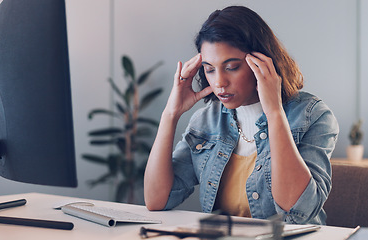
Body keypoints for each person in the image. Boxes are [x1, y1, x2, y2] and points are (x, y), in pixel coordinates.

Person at [144, 5, 339, 225]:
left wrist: (273, 112)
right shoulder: (206, 121)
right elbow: (156, 200)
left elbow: (297, 210)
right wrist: (170, 114)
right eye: (209, 69)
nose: (219, 82)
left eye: (232, 67)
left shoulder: (312, 115)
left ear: (262, 62)